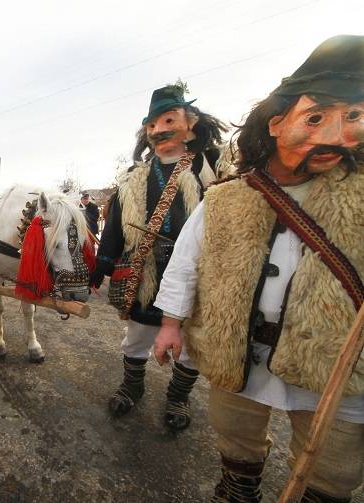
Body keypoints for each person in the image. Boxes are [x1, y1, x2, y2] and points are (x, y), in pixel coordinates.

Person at [153, 35, 363, 501]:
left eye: (353, 117)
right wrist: (170, 323)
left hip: (333, 366)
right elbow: (187, 263)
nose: (336, 135)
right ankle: (237, 484)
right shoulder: (228, 196)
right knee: (235, 431)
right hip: (237, 349)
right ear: (276, 123)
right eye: (316, 118)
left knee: (333, 464)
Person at [89, 81, 227, 430]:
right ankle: (132, 385)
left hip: (200, 272)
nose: (158, 131)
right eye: (151, 126)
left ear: (190, 123)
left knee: (192, 343)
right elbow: (116, 229)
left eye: (168, 121)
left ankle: (178, 398)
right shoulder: (132, 179)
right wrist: (99, 268)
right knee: (136, 335)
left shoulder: (215, 168)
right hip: (146, 270)